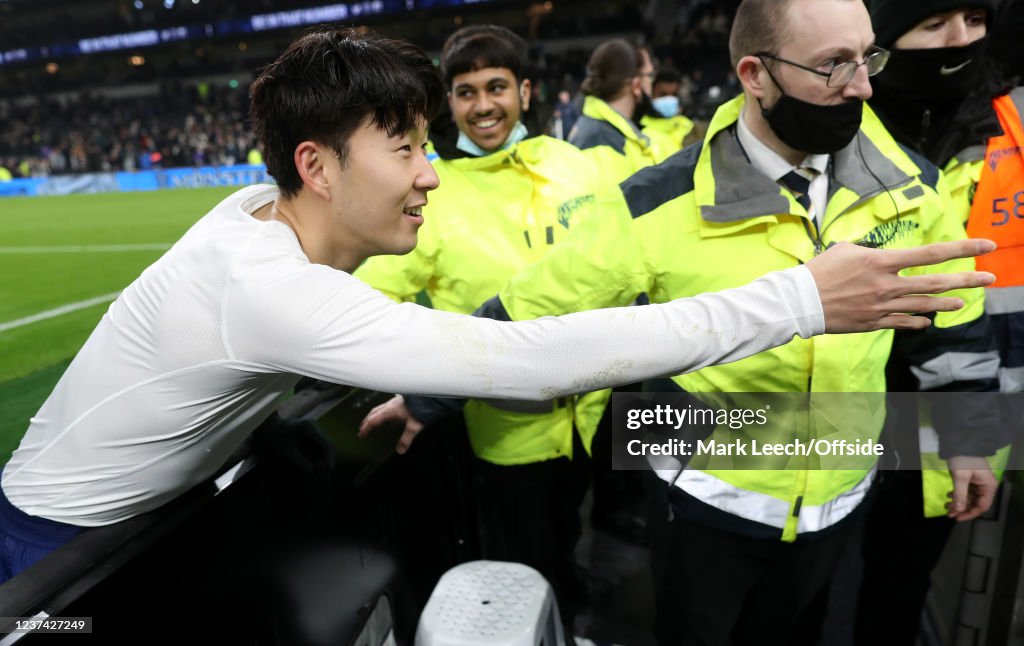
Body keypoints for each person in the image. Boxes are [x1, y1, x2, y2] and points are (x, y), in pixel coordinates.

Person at [0, 26, 995, 590]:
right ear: (316, 165)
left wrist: (967, 437)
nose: (432, 173)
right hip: (58, 548)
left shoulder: (260, 221)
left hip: (834, 476)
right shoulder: (264, 284)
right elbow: (527, 351)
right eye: (405, 147)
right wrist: (799, 298)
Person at [362, 1, 1004, 643]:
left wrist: (971, 438)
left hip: (841, 497)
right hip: (707, 504)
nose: (863, 85)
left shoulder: (910, 185)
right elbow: (538, 303)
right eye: (833, 65)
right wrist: (428, 395)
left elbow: (956, 321)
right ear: (756, 74)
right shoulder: (657, 203)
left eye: (867, 57)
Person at [352, 24, 613, 625]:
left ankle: (568, 593)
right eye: (465, 92)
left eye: (496, 86)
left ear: (525, 90)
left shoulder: (575, 166)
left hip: (592, 417)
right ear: (450, 103)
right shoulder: (433, 194)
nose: (483, 105)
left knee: (571, 531)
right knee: (524, 567)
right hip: (504, 438)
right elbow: (370, 291)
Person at [857, 2, 1022, 642]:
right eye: (932, 24)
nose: (959, 40)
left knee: (895, 592)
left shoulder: (1014, 129)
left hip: (952, 424)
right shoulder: (828, 127)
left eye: (974, 17)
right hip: (821, 409)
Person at [569, 39, 676, 182]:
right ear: (636, 86)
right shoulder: (601, 141)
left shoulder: (609, 132)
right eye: (650, 76)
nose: (651, 84)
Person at [641, 66, 698, 156]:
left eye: (674, 95)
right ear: (650, 93)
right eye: (663, 95)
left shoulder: (689, 126)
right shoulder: (640, 130)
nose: (669, 100)